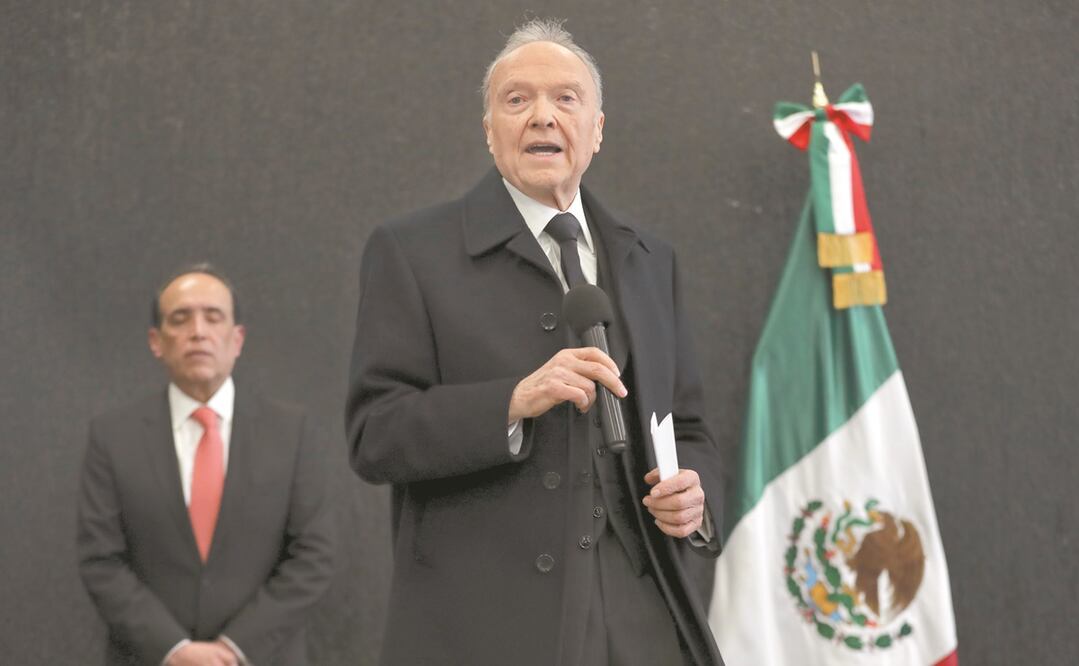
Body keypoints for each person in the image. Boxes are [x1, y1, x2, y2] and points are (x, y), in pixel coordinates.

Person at [346, 18, 725, 666]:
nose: (542, 117)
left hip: (643, 608)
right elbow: (374, 435)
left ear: (597, 129)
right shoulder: (412, 252)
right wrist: (512, 402)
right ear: (489, 131)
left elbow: (686, 425)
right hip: (487, 622)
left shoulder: (646, 259)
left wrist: (696, 496)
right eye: (516, 101)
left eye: (565, 99)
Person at [77, 265, 335, 666]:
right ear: (156, 341)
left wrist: (234, 649)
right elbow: (100, 559)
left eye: (213, 317)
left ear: (238, 339)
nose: (198, 331)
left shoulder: (291, 432)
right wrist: (175, 650)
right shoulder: (112, 437)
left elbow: (314, 554)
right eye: (180, 318)